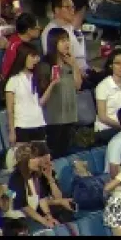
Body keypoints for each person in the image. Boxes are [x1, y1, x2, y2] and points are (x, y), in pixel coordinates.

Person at [35, 28, 81, 159]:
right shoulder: (45, 65)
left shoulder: (70, 63)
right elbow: (42, 93)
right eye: (62, 40)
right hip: (53, 118)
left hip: (70, 115)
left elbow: (78, 85)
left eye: (67, 40)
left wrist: (74, 65)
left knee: (65, 152)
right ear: (53, 43)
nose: (66, 43)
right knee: (54, 153)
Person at [5, 43, 48, 145]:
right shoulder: (13, 80)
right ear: (23, 56)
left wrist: (53, 84)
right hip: (22, 127)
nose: (36, 60)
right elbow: (10, 110)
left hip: (38, 124)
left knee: (41, 158)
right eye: (33, 56)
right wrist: (12, 131)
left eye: (37, 57)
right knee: (25, 159)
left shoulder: (37, 77)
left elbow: (40, 103)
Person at [41, 0, 89, 73]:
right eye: (67, 7)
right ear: (57, 10)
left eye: (73, 7)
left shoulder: (70, 27)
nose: (72, 10)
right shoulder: (50, 32)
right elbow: (52, 61)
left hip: (84, 70)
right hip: (69, 74)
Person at [94, 49, 121, 140]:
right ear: (111, 65)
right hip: (106, 128)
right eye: (118, 63)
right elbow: (102, 117)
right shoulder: (103, 86)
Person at [1, 13, 41, 79]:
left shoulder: (16, 38)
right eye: (37, 27)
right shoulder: (16, 47)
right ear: (29, 31)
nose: (39, 28)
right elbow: (7, 72)